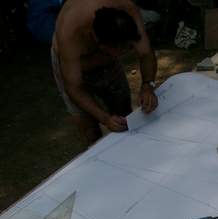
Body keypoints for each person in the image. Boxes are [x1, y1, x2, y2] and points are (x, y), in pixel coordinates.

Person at [52, 1, 158, 144]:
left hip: (105, 52)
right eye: (115, 51)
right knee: (88, 126)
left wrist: (148, 85)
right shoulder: (70, 32)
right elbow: (74, 87)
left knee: (125, 115)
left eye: (126, 49)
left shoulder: (127, 9)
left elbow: (145, 53)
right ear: (97, 39)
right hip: (73, 63)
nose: (120, 55)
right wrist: (105, 118)